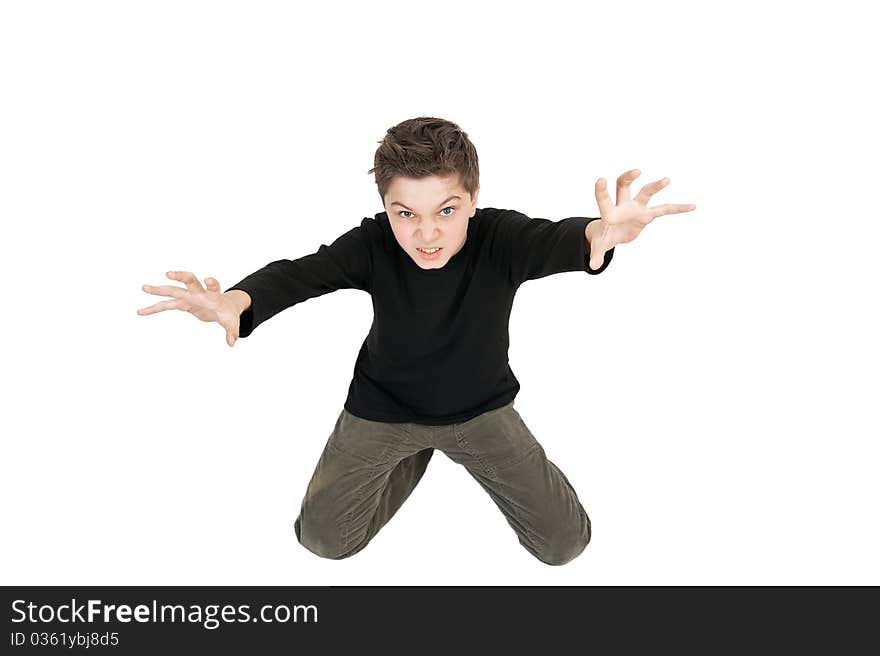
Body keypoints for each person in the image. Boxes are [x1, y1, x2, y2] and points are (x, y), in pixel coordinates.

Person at [137, 116, 696, 565]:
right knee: (324, 544)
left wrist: (602, 235)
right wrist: (236, 301)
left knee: (563, 548)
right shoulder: (374, 244)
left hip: (481, 410)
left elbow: (563, 240)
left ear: (472, 200)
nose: (426, 234)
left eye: (446, 211)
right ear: (387, 209)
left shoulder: (500, 237)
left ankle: (441, 446)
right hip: (383, 410)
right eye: (406, 214)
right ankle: (415, 451)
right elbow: (299, 274)